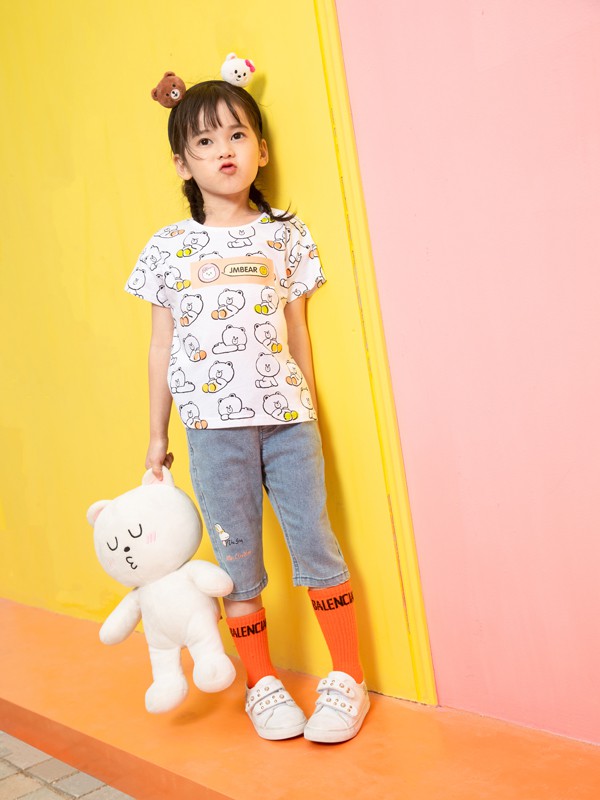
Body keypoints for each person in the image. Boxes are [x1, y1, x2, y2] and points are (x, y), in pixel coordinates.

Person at [125, 76, 369, 743]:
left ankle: (347, 677)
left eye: (237, 135)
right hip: (211, 431)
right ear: (183, 163)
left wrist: (306, 405)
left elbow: (298, 332)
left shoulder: (286, 235)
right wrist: (156, 434)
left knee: (315, 543)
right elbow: (160, 346)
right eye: (205, 141)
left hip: (288, 422)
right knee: (238, 564)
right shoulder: (167, 247)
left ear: (261, 150)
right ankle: (262, 684)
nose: (224, 150)